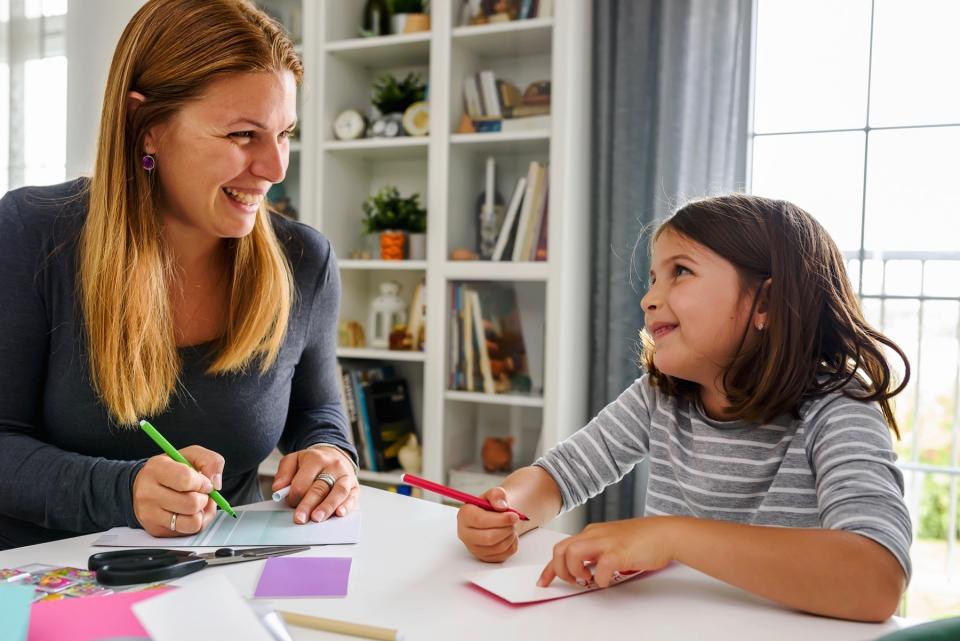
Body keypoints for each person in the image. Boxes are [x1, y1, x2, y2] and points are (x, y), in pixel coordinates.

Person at [0, 0, 359, 549]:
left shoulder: (305, 261)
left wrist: (328, 454)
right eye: (243, 135)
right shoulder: (31, 233)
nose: (276, 167)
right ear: (146, 127)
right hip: (50, 587)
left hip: (220, 583)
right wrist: (123, 491)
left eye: (284, 132)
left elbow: (317, 409)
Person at [457, 194, 913, 622]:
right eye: (654, 277)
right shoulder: (662, 395)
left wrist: (670, 536)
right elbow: (560, 475)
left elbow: (877, 579)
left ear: (767, 303)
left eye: (680, 272)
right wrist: (505, 513)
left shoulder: (837, 408)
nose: (649, 298)